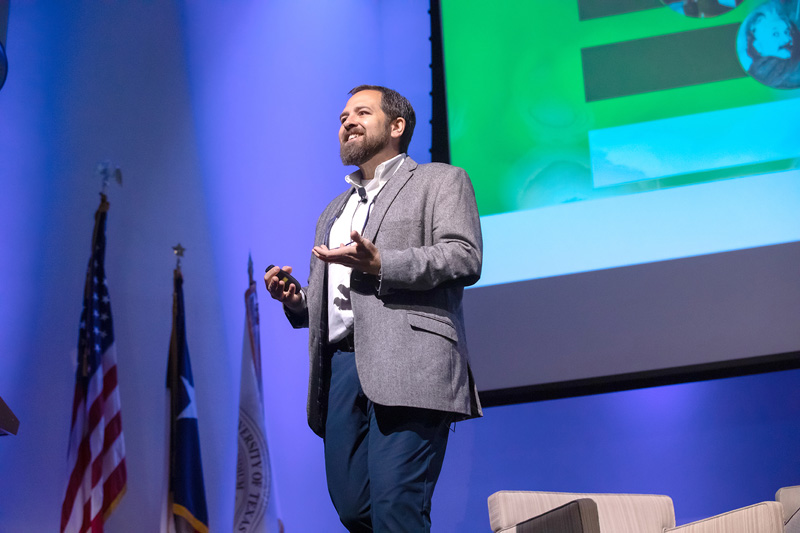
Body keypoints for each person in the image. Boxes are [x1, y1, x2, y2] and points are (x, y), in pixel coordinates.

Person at [264, 85, 483, 532]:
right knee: (353, 509)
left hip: (411, 361)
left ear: (397, 126)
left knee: (396, 505)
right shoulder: (334, 211)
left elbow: (463, 255)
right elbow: (330, 296)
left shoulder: (441, 180)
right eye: (343, 116)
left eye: (362, 112)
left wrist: (384, 263)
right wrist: (297, 300)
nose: (347, 122)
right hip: (341, 368)